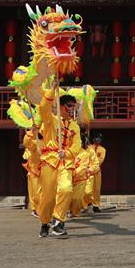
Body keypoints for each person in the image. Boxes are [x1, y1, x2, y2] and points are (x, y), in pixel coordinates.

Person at [35, 89, 81, 238]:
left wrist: (67, 153)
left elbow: (77, 145)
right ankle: (44, 222)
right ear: (61, 107)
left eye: (73, 106)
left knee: (66, 189)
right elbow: (42, 108)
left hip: (66, 162)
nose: (71, 109)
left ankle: (58, 221)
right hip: (50, 161)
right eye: (69, 105)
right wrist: (52, 90)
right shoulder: (51, 120)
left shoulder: (75, 127)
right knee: (47, 197)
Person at [21, 129, 41, 217]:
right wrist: (31, 133)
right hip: (34, 171)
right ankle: (35, 209)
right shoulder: (34, 143)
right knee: (35, 192)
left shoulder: (48, 142)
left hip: (45, 171)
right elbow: (27, 143)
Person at [85, 133, 106, 213]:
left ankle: (96, 205)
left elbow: (100, 160)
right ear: (93, 139)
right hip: (87, 171)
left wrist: (93, 165)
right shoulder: (88, 148)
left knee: (96, 189)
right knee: (87, 189)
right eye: (96, 138)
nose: (98, 140)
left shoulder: (103, 150)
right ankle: (87, 204)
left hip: (97, 171)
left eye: (99, 138)